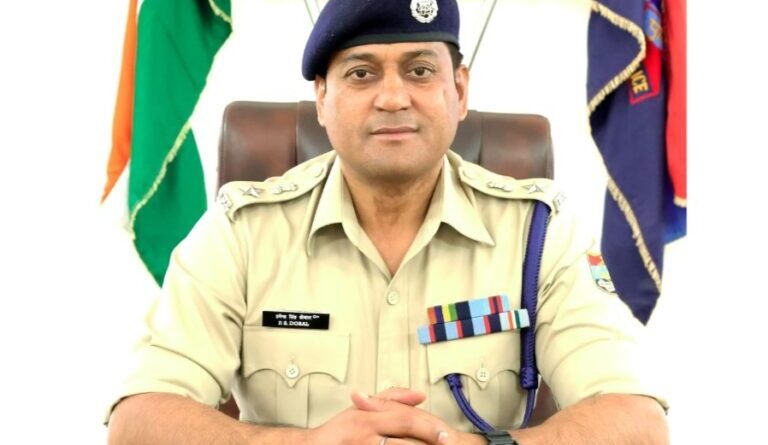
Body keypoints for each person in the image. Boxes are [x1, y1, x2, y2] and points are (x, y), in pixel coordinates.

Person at [106, 1, 669, 444]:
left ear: (459, 92)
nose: (393, 97)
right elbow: (139, 420)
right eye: (361, 73)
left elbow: (636, 422)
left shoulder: (539, 232)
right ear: (322, 98)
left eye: (420, 71)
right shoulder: (242, 231)